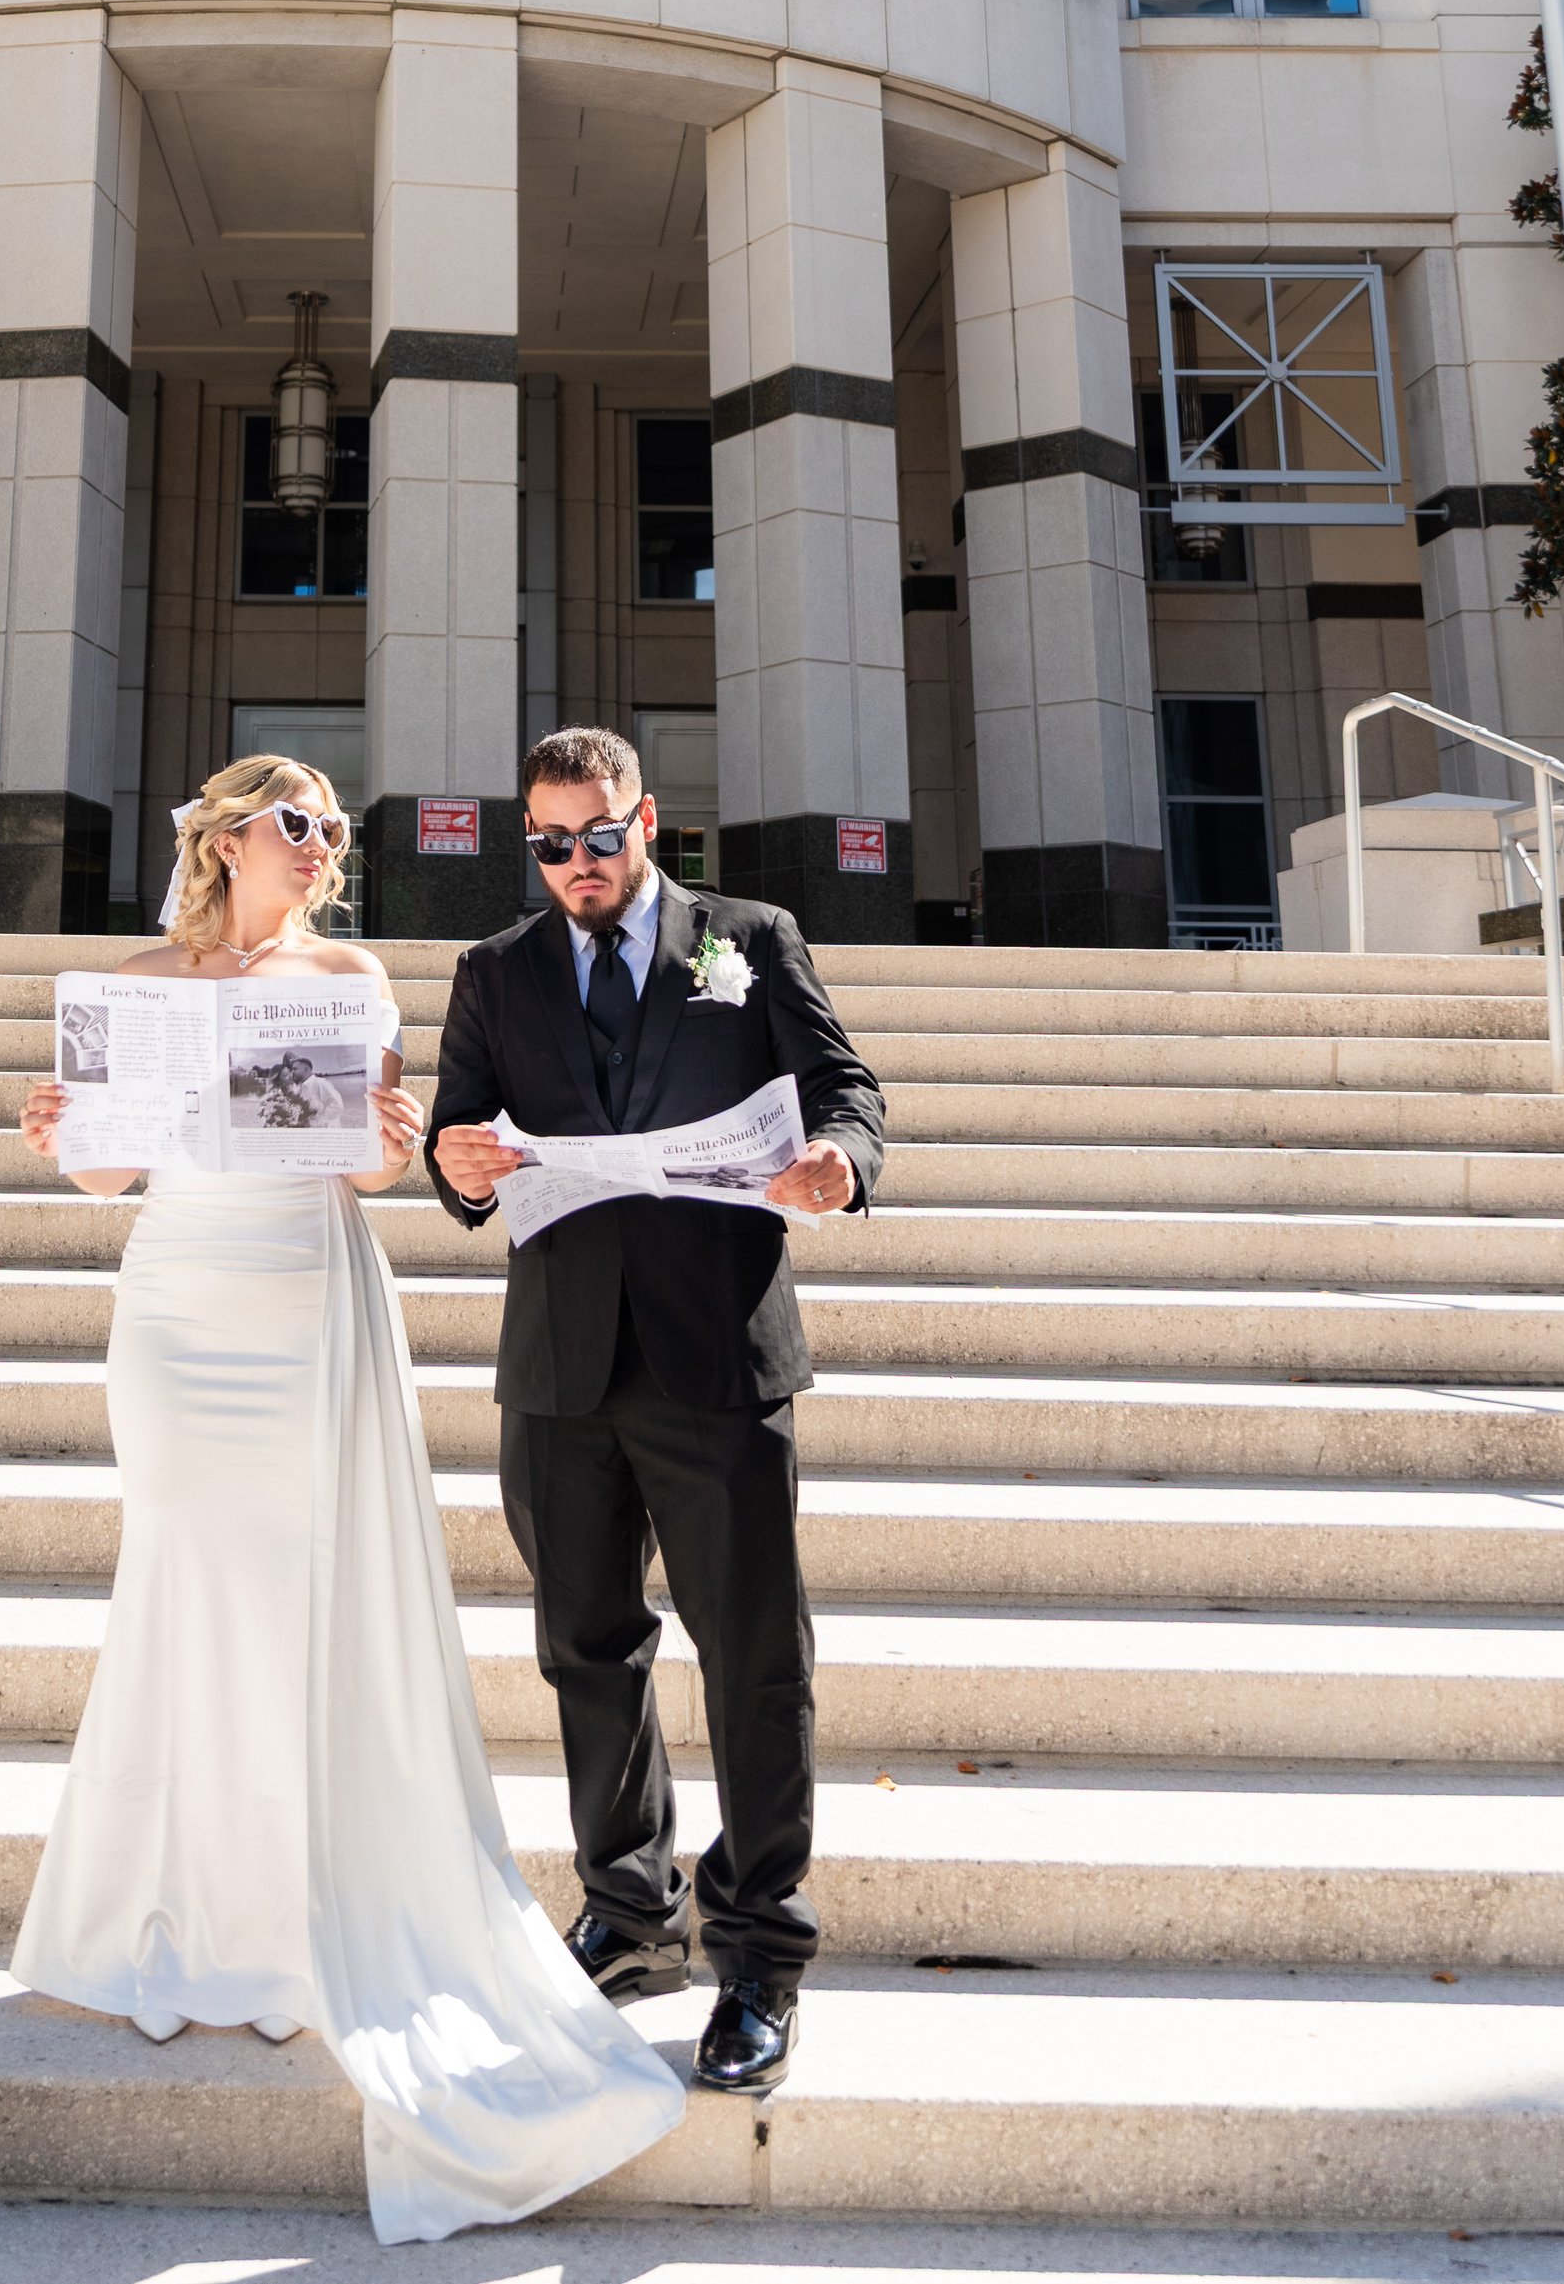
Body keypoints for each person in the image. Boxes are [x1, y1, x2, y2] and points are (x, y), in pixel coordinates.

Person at [12, 752, 686, 2243]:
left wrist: (390, 1151)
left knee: (294, 1607)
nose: (324, 844)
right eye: (298, 821)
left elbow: (363, 1164)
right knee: (188, 1587)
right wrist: (65, 1132)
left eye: (334, 827)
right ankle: (185, 1923)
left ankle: (286, 1934)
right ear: (229, 835)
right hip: (180, 1310)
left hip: (306, 1299)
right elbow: (107, 1181)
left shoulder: (353, 973)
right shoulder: (135, 980)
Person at [426, 724, 888, 2098]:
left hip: (717, 1358)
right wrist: (457, 1164)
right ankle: (629, 1916)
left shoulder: (742, 936)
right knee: (587, 1648)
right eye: (550, 840)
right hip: (562, 1367)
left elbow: (848, 1090)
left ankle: (758, 1949)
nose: (577, 861)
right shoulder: (492, 972)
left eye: (600, 834)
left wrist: (837, 1165)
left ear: (648, 821)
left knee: (754, 1656)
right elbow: (462, 1150)